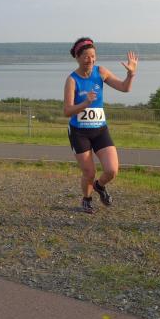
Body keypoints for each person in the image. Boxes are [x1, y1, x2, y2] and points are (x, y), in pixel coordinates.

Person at [64, 37, 138, 214]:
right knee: (89, 172)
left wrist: (131, 74)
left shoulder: (101, 72)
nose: (90, 60)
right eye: (86, 56)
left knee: (112, 170)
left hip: (99, 130)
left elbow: (124, 88)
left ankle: (99, 186)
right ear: (77, 57)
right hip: (79, 132)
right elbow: (67, 111)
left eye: (93, 56)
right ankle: (87, 199)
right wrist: (85, 103)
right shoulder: (72, 80)